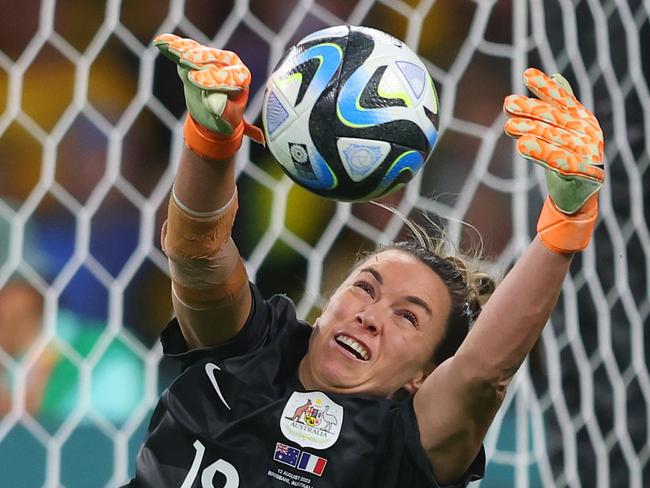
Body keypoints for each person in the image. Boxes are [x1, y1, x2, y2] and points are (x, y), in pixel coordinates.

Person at [126, 33, 604, 487]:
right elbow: (197, 253)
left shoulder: (403, 446)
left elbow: (483, 373)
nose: (371, 316)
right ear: (329, 300)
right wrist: (211, 144)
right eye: (366, 287)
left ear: (424, 377)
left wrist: (564, 225)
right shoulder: (252, 346)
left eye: (408, 317)